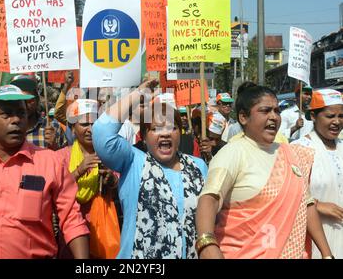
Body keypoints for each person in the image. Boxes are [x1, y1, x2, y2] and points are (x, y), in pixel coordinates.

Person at [0, 85, 89, 259]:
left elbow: (72, 220)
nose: (16, 120)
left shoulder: (51, 162)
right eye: (6, 114)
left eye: (21, 113)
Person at [195, 84, 333, 259]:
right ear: (244, 117)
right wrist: (207, 243)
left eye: (276, 111)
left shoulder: (291, 153)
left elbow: (307, 205)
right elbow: (209, 198)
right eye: (265, 111)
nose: (274, 117)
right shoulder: (233, 153)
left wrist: (326, 253)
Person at [92, 80, 208, 259]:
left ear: (180, 133)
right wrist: (137, 95)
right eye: (156, 128)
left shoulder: (198, 167)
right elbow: (101, 132)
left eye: (172, 128)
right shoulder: (133, 162)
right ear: (144, 137)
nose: (165, 133)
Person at [292, 89, 343, 259]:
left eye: (341, 116)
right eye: (330, 116)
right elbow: (288, 195)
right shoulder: (299, 149)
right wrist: (317, 205)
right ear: (313, 116)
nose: (337, 121)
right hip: (315, 240)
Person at [11, 75, 67, 150]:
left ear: (37, 100)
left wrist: (54, 146)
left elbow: (66, 159)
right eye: (19, 100)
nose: (24, 105)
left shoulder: (53, 127)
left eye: (29, 100)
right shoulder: (5, 129)